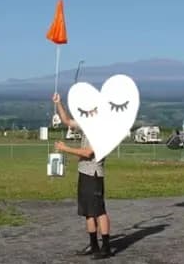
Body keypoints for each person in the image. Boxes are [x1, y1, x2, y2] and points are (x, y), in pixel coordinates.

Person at [52, 92, 112, 259]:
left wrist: (65, 149)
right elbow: (67, 121)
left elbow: (87, 152)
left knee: (99, 211)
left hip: (94, 175)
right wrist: (59, 103)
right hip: (84, 174)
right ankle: (94, 246)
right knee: (88, 212)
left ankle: (106, 248)